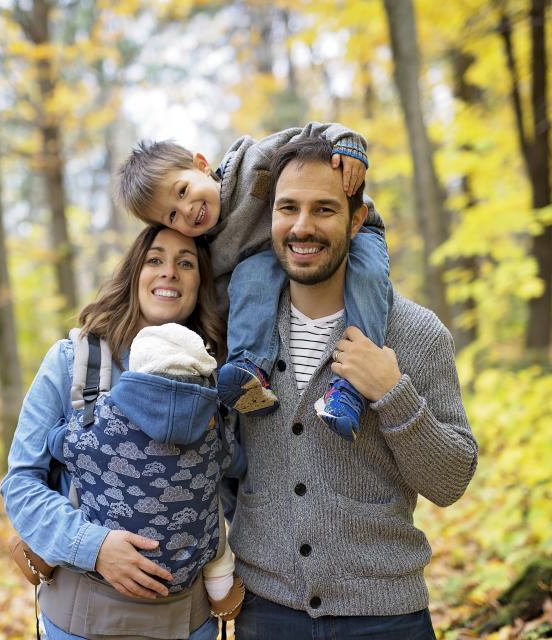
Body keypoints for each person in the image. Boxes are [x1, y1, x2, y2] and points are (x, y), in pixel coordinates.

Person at [225, 135, 478, 639]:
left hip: (387, 616)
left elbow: (451, 482)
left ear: (357, 220)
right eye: (288, 208)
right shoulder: (238, 331)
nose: (302, 227)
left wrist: (392, 392)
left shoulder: (414, 333)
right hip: (265, 611)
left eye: (324, 209)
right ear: (269, 218)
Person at [1, 226, 245, 640]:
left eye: (185, 263)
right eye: (155, 260)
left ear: (200, 283)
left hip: (190, 623)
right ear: (134, 273)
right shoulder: (74, 360)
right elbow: (20, 484)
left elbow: (230, 484)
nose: (169, 272)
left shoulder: (217, 376)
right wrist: (93, 547)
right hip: (83, 619)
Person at [114, 122, 392, 441]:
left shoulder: (254, 162)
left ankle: (350, 386)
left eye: (182, 191)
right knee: (250, 274)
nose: (187, 211)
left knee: (366, 277)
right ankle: (250, 369)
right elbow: (223, 299)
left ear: (202, 165)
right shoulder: (211, 249)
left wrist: (347, 145)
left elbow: (314, 134)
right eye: (172, 216)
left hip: (350, 234)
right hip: (282, 256)